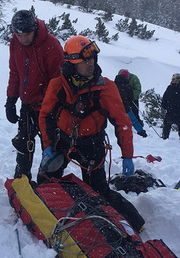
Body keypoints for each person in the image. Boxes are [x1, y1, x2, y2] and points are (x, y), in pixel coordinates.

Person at [39, 35, 135, 197]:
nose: (90, 63)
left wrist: (127, 155)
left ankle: (132, 221)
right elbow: (46, 115)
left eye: (92, 59)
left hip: (92, 145)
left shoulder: (106, 88)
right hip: (62, 141)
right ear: (71, 63)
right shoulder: (58, 85)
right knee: (45, 183)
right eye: (85, 61)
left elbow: (122, 122)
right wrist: (48, 146)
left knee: (99, 193)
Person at [5, 10, 64, 180]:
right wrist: (11, 99)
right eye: (18, 34)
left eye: (26, 35)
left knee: (51, 146)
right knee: (24, 144)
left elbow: (58, 81)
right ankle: (22, 178)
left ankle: (48, 180)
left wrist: (48, 105)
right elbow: (15, 72)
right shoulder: (15, 42)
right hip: (27, 104)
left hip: (49, 107)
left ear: (35, 29)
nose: (22, 39)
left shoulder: (51, 45)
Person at [114, 70, 147, 137]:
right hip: (125, 106)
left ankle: (119, 131)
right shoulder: (128, 86)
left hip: (115, 105)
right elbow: (131, 98)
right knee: (133, 119)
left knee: (117, 120)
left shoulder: (114, 84)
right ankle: (141, 132)